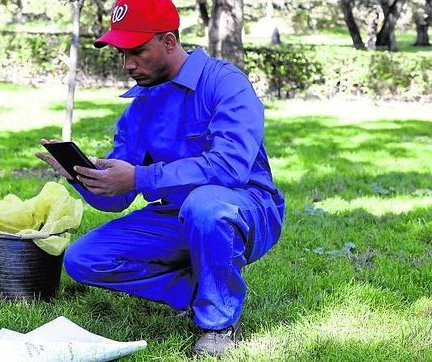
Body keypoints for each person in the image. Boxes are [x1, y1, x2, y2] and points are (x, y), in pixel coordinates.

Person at [35, 0, 285, 356]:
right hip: (178, 217)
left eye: (137, 51)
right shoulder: (139, 107)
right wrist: (85, 176)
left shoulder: (225, 83)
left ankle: (218, 323)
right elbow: (117, 199)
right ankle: (202, 292)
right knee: (84, 259)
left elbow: (230, 167)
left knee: (206, 206)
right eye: (122, 54)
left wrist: (141, 177)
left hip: (245, 208)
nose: (128, 64)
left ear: (169, 42)